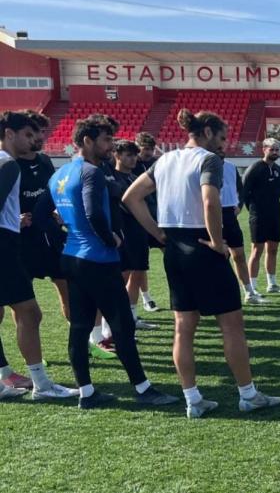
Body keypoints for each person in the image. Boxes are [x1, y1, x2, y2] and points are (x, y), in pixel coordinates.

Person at [123, 109, 280, 418]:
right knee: (232, 325)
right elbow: (210, 201)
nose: (224, 144)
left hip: (175, 250)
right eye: (222, 137)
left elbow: (131, 197)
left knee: (183, 328)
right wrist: (217, 240)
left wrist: (157, 232)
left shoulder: (165, 160)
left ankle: (192, 399)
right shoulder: (208, 160)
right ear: (207, 132)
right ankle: (248, 395)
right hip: (203, 247)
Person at [39, 115, 178, 409]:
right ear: (87, 141)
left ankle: (87, 393)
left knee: (79, 326)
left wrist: (66, 235)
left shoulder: (59, 175)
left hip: (72, 257)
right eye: (105, 140)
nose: (110, 146)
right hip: (98, 260)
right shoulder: (91, 173)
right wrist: (109, 237)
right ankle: (143, 390)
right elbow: (94, 212)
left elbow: (40, 216)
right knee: (122, 326)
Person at [0, 111, 77, 401]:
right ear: (9, 133)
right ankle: (42, 385)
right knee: (30, 312)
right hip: (5, 245)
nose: (33, 140)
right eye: (27, 134)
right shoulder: (8, 164)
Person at [14, 111, 71, 326]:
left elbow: (54, 194)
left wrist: (59, 211)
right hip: (21, 239)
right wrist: (14, 218)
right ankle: (32, 353)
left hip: (50, 234)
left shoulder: (46, 161)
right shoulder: (9, 165)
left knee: (68, 288)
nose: (40, 136)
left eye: (42, 131)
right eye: (34, 131)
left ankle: (82, 344)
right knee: (22, 301)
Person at [109, 140, 158, 330]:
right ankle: (112, 319)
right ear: (117, 155)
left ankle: (132, 316)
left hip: (139, 232)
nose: (133, 159)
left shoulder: (135, 178)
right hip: (123, 233)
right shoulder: (111, 178)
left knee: (138, 273)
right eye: (128, 155)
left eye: (134, 155)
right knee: (122, 276)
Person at [219, 149, 265, 305]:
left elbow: (241, 189)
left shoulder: (231, 167)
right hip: (210, 215)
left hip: (230, 215)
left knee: (239, 255)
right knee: (217, 258)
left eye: (222, 146)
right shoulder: (201, 166)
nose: (221, 149)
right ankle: (218, 294)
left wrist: (238, 205)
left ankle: (249, 292)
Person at [243, 138, 280, 294]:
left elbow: (278, 193)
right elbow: (244, 191)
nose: (275, 152)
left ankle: (272, 284)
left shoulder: (279, 170)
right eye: (272, 149)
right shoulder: (255, 168)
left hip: (274, 214)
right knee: (257, 250)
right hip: (258, 215)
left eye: (277, 149)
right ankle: (252, 288)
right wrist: (253, 210)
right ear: (264, 149)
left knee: (273, 249)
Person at [132, 131, 160, 313]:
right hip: (138, 218)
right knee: (140, 263)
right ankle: (146, 298)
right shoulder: (130, 164)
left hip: (158, 215)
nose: (148, 153)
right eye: (145, 149)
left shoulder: (157, 163)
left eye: (151, 149)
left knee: (172, 253)